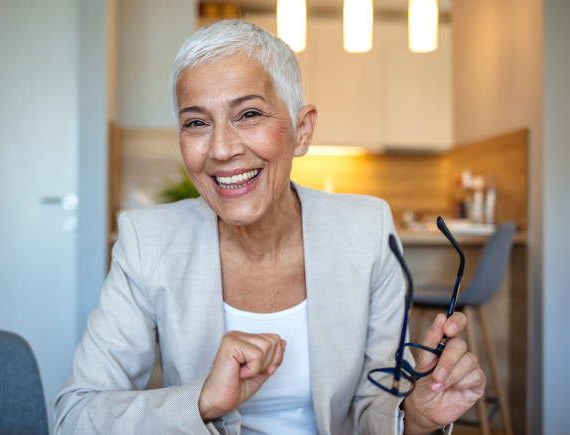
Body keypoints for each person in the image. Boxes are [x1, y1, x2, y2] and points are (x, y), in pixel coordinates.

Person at [54, 20, 485, 435]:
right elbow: (75, 417)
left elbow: (374, 406)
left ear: (301, 130)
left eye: (249, 114)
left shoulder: (367, 231)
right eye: (197, 122)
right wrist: (202, 401)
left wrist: (413, 415)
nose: (221, 149)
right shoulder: (146, 242)